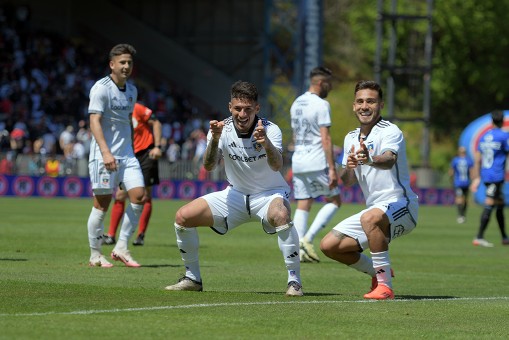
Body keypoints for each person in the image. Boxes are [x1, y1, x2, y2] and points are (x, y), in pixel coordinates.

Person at [164, 80, 303, 296]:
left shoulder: (270, 129)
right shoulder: (221, 129)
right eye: (237, 108)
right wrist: (214, 139)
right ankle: (193, 278)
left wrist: (265, 143)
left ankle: (294, 281)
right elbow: (209, 166)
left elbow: (277, 165)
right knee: (183, 217)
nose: (242, 114)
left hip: (269, 195)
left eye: (248, 109)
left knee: (281, 213)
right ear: (230, 107)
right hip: (235, 195)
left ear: (257, 108)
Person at [320, 80, 419, 300]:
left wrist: (370, 158)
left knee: (369, 218)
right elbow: (348, 181)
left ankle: (385, 286)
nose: (365, 106)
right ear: (354, 106)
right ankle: (378, 271)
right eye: (360, 101)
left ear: (380, 105)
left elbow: (388, 160)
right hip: (375, 211)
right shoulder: (350, 138)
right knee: (330, 246)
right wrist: (349, 166)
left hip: (402, 206)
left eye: (371, 101)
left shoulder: (391, 131)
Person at [86, 43, 145, 268]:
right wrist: (106, 152)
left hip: (127, 156)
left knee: (139, 196)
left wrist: (131, 150)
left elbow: (127, 123)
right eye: (122, 62)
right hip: (104, 155)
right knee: (102, 205)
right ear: (112, 64)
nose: (126, 66)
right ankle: (95, 254)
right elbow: (94, 121)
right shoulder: (101, 88)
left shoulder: (132, 90)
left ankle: (121, 247)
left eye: (129, 63)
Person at [290, 66, 341, 263]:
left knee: (304, 202)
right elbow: (325, 139)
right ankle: (306, 240)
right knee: (335, 200)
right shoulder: (321, 104)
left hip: (299, 160)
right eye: (329, 84)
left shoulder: (296, 103)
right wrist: (332, 168)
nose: (331, 87)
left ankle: (297, 249)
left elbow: (296, 136)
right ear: (321, 83)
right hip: (316, 160)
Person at [103, 102, 162, 246]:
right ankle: (111, 235)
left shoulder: (138, 108)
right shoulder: (114, 112)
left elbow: (156, 123)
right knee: (120, 195)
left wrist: (157, 147)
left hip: (146, 154)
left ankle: (140, 235)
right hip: (128, 156)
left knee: (146, 195)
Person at [470, 110, 509, 247]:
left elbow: (477, 157)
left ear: (491, 121)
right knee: (490, 203)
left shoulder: (485, 135)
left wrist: (476, 177)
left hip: (486, 174)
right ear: (503, 121)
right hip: (496, 175)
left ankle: (505, 237)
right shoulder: (504, 136)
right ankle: (479, 236)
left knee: (500, 205)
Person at [449, 146, 473, 224]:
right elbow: (472, 172)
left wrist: (451, 179)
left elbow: (451, 172)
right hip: (466, 182)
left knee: (460, 199)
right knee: (464, 199)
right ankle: (463, 215)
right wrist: (473, 181)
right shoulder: (468, 160)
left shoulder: (455, 160)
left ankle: (461, 215)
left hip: (458, 182)